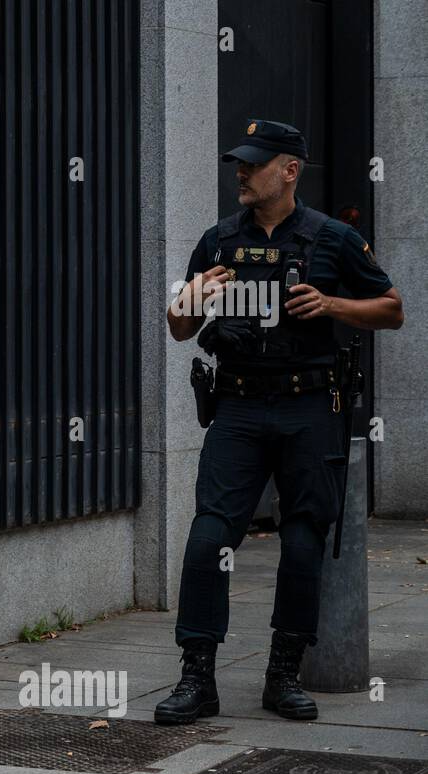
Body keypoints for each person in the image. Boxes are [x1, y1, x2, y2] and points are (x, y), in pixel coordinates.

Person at [159, 119, 403, 725]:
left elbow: (392, 309)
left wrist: (333, 304)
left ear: (289, 170)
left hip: (309, 405)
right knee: (209, 535)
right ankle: (197, 677)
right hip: (238, 406)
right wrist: (190, 299)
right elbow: (178, 326)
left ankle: (283, 675)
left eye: (254, 163)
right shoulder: (218, 241)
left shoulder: (334, 239)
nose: (241, 172)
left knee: (301, 539)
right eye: (239, 163)